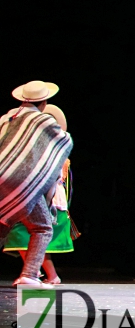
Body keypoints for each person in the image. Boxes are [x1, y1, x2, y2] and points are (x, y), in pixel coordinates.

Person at [0, 81, 73, 288]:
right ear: (45, 102)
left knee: (2, 225)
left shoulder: (8, 118)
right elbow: (60, 146)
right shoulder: (44, 122)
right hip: (23, 183)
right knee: (42, 227)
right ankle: (30, 275)